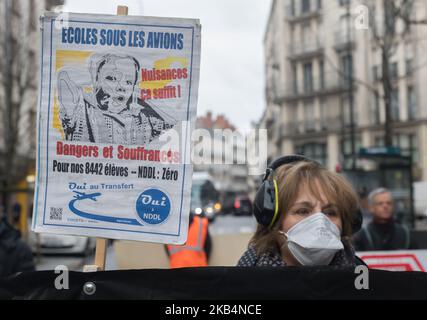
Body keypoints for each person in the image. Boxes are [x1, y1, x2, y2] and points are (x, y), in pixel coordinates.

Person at [237, 155, 364, 267]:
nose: (320, 222)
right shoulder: (242, 285)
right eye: (303, 211)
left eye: (330, 213)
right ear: (273, 220)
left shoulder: (363, 279)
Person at [58, 53, 176, 145]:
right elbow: (63, 76)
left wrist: (146, 98)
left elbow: (175, 125)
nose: (122, 87)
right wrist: (94, 83)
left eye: (129, 82)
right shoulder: (81, 111)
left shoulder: (143, 119)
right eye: (112, 78)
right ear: (96, 80)